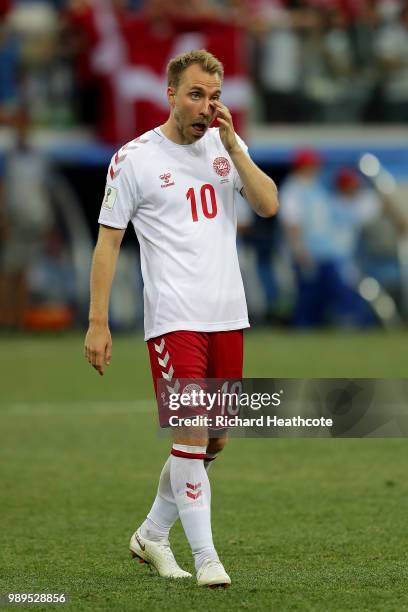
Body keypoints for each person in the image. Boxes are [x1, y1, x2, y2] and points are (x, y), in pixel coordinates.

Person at [84, 49, 278, 588]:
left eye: (214, 97)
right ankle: (208, 558)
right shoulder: (134, 158)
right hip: (174, 318)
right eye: (196, 95)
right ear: (170, 94)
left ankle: (151, 532)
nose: (206, 107)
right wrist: (97, 321)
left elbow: (267, 204)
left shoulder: (223, 147)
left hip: (227, 316)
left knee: (214, 441)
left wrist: (235, 144)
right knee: (191, 432)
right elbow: (107, 244)